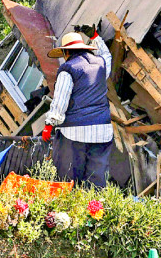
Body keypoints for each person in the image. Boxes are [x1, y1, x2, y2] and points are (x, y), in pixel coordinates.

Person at [42, 23, 113, 188]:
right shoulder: (101, 64)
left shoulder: (68, 69)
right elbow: (107, 55)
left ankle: (69, 210)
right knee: (97, 181)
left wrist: (49, 124)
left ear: (66, 53)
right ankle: (95, 210)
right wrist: (95, 36)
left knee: (68, 180)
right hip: (103, 131)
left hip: (73, 133)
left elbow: (60, 101)